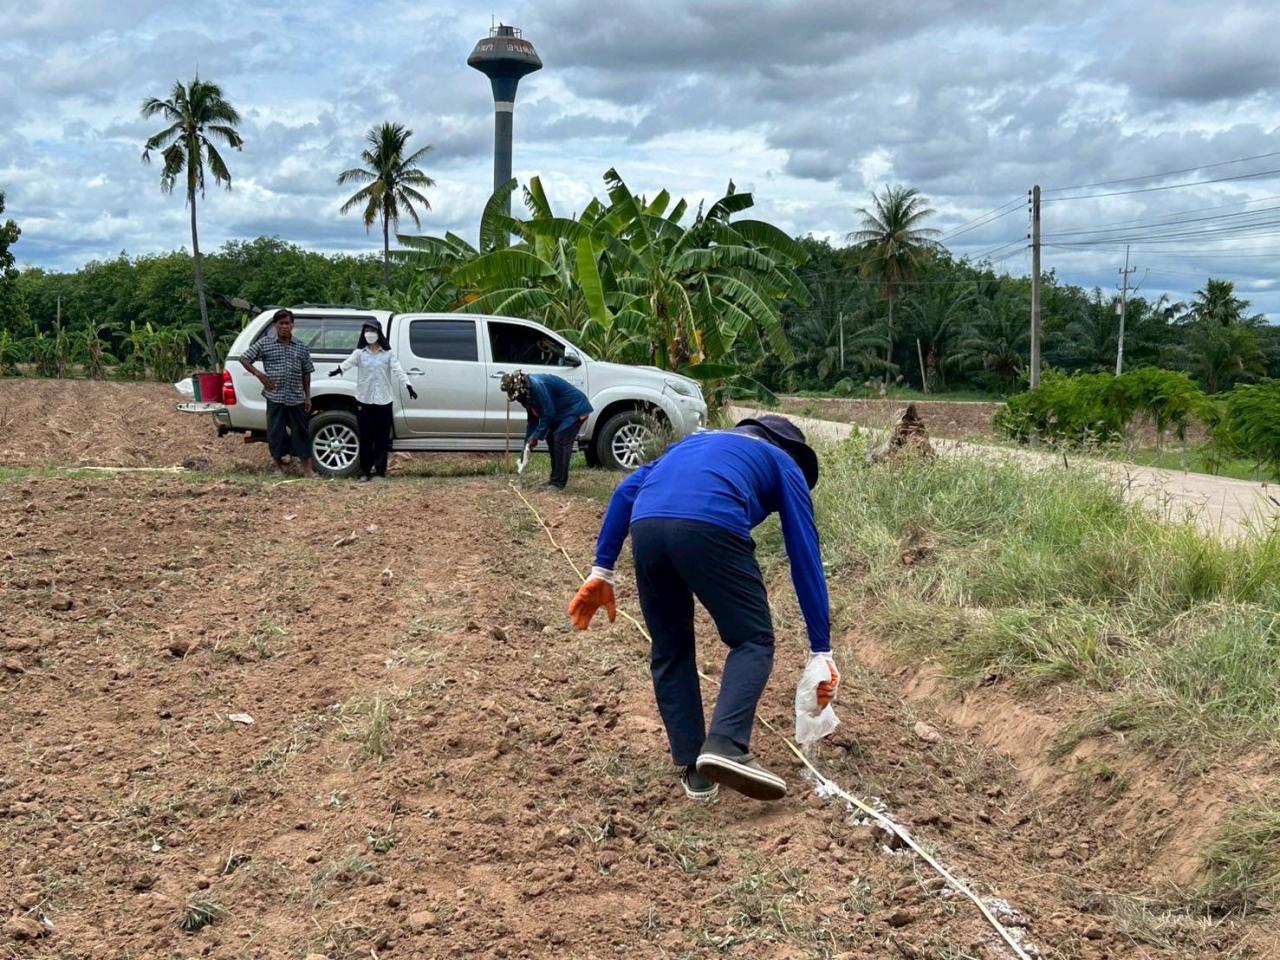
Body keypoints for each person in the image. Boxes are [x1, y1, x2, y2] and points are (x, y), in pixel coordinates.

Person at [567, 416, 839, 803]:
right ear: (790, 449)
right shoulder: (782, 461)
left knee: (670, 648)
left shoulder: (687, 446)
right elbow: (804, 551)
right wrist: (821, 649)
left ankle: (695, 767)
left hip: (647, 528)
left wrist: (602, 569)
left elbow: (626, 492)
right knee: (752, 639)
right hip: (713, 524)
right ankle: (726, 745)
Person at [328, 320, 417, 482]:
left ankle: (380, 471)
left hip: (384, 400)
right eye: (367, 330)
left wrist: (408, 385)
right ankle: (364, 471)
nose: (369, 334)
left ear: (379, 333)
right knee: (366, 437)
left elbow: (398, 370)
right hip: (364, 400)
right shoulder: (359, 353)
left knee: (382, 437)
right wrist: (337, 370)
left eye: (372, 330)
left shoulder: (388, 354)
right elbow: (347, 364)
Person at [240, 309, 316, 478]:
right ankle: (278, 469)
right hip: (275, 395)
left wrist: (307, 396)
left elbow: (306, 372)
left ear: (292, 325)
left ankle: (307, 470)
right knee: (276, 432)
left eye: (287, 323)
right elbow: (244, 359)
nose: (284, 326)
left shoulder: (301, 346)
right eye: (280, 323)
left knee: (301, 432)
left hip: (296, 396)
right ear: (275, 325)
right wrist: (259, 375)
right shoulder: (265, 343)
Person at [500, 370, 592, 491]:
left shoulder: (537, 387)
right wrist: (527, 445)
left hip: (575, 408)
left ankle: (558, 483)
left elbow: (548, 413)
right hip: (560, 412)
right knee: (550, 437)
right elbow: (533, 420)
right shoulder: (525, 394)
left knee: (560, 439)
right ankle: (554, 480)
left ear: (520, 387)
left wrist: (536, 437)